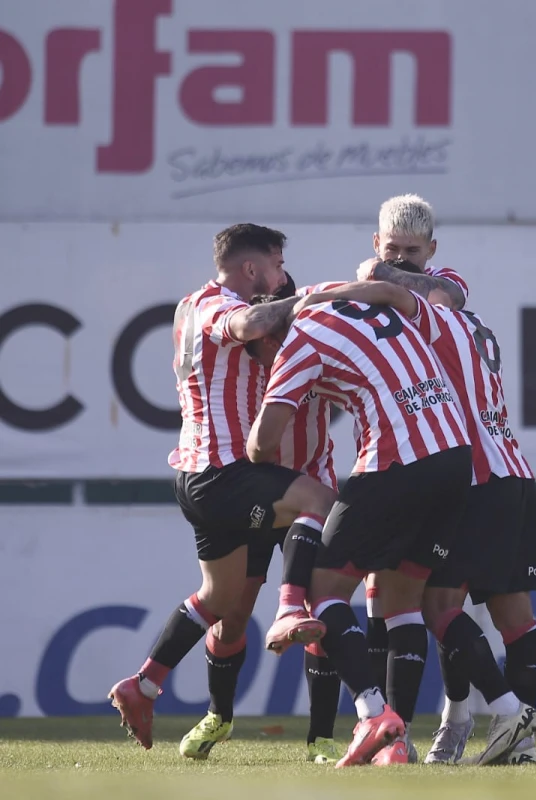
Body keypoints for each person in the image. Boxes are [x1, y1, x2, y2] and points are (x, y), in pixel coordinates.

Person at [107, 225, 337, 751]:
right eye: (277, 265)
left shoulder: (190, 308)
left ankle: (143, 683)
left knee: (220, 601)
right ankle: (287, 610)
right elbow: (249, 321)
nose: (281, 276)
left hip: (201, 476)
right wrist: (309, 298)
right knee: (321, 502)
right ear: (251, 268)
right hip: (225, 471)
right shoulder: (214, 304)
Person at [365, 258, 536, 766]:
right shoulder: (475, 325)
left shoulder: (433, 313)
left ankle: (505, 716)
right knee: (514, 620)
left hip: (475, 478)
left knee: (438, 607)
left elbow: (428, 297)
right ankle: (514, 743)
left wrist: (374, 276)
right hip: (512, 470)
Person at [176, 275, 345, 764]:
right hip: (258, 493)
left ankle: (321, 738)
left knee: (321, 612)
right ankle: (219, 714)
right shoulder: (244, 354)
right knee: (232, 616)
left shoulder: (317, 342)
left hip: (309, 488)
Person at [357, 194, 469, 309]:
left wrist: (376, 271)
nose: (401, 256)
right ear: (377, 243)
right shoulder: (360, 291)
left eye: (412, 250)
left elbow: (448, 299)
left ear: (431, 249)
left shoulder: (447, 277)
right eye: (392, 248)